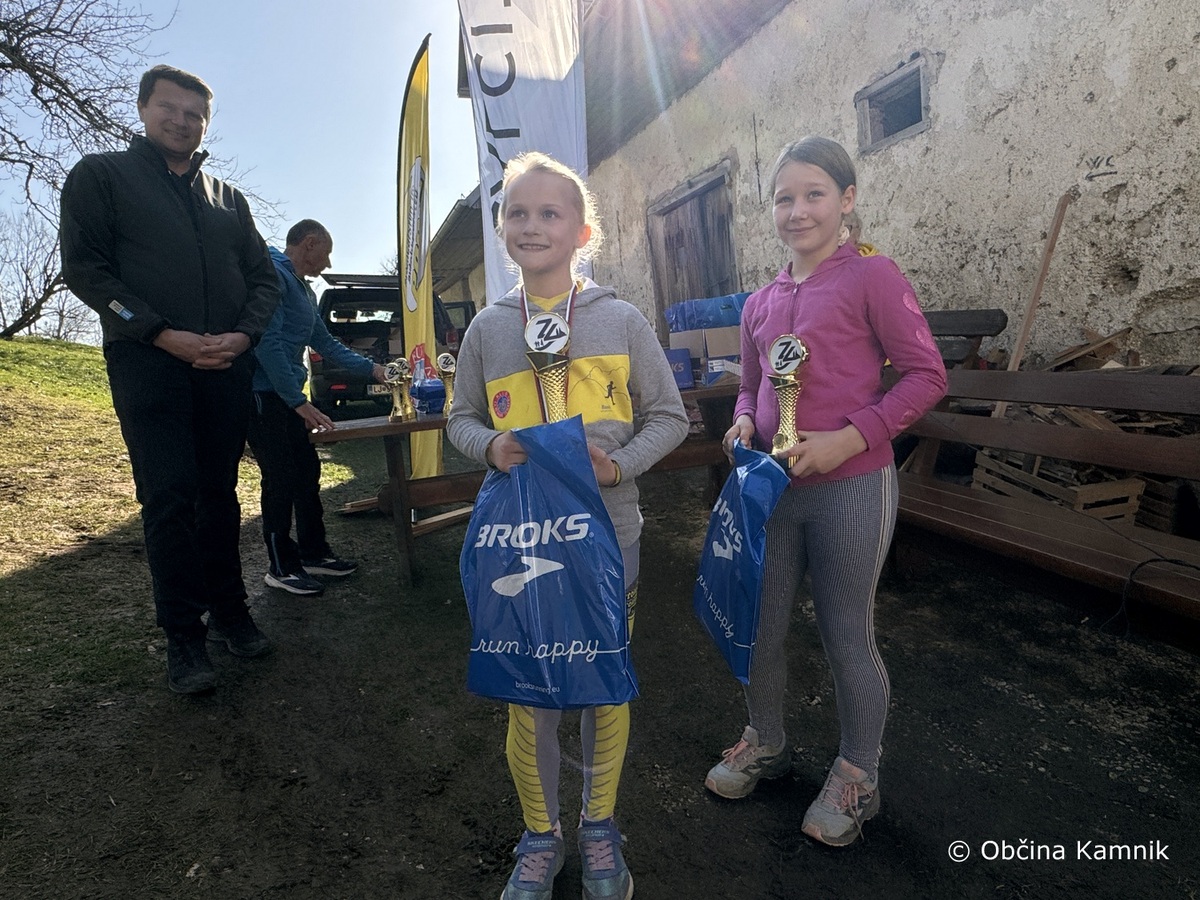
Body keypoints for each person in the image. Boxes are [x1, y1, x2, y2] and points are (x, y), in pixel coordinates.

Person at [446, 151, 688, 900]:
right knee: (531, 695)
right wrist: (491, 446)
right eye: (517, 213)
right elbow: (458, 418)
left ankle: (599, 826)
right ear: (501, 229)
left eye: (550, 213)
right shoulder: (487, 329)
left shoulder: (621, 319)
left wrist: (619, 468)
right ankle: (540, 834)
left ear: (583, 232)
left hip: (611, 539)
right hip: (520, 543)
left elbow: (670, 417)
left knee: (601, 686)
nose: (532, 225)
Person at [704, 136, 946, 846]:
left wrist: (851, 437)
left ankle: (856, 773)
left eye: (814, 194)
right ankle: (767, 741)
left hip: (852, 487)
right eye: (784, 198)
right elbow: (751, 383)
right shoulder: (760, 302)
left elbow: (927, 375)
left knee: (846, 634)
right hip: (773, 492)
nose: (798, 210)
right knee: (760, 626)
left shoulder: (872, 276)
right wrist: (744, 419)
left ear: (847, 199)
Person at [59, 65, 280, 695]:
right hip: (148, 362)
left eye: (195, 114)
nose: (182, 121)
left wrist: (244, 337)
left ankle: (231, 614)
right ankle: (184, 639)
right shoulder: (102, 176)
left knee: (219, 495)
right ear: (143, 108)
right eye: (170, 108)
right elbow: (86, 271)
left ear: (206, 123)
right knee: (170, 498)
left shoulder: (227, 198)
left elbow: (264, 281)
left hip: (225, 366)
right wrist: (157, 331)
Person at [248, 219, 388, 596]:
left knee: (307, 472)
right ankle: (280, 567)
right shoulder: (271, 276)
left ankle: (313, 553)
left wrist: (373, 368)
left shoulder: (305, 292)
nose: (327, 264)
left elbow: (325, 342)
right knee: (279, 478)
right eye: (326, 254)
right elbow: (267, 344)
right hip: (263, 395)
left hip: (287, 397)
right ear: (309, 243)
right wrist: (298, 401)